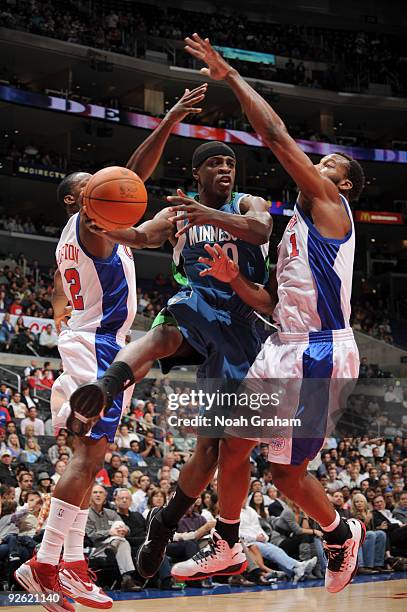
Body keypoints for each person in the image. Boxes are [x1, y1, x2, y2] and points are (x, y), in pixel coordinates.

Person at [175, 33, 366, 593]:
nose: (316, 168)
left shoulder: (332, 208)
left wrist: (229, 76)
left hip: (318, 352)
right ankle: (228, 544)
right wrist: (236, 281)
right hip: (282, 342)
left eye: (327, 165)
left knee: (285, 474)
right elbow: (274, 306)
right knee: (234, 444)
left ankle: (338, 531)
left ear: (343, 185)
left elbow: (276, 135)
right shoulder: (295, 229)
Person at [70, 85, 273, 586]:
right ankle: (109, 383)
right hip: (199, 304)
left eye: (230, 163)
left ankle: (163, 524)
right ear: (198, 174)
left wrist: (210, 217)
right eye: (216, 163)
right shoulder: (179, 212)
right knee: (167, 328)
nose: (226, 169)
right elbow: (142, 235)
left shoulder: (250, 202)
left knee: (212, 452)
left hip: (245, 324)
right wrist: (107, 229)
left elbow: (260, 231)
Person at [15, 85, 209, 609]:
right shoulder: (91, 222)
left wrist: (70, 325)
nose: (110, 186)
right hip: (95, 345)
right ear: (79, 200)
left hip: (98, 342)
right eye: (95, 185)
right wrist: (168, 119)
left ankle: (71, 564)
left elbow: (61, 289)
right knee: (89, 456)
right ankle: (44, 562)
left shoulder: (92, 232)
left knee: (90, 457)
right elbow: (133, 176)